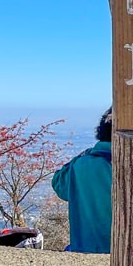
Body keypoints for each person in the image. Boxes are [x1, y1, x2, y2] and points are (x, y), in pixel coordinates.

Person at [52, 108, 112, 253]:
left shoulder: (80, 165)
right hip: (129, 256)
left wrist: (84, 155)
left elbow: (59, 185)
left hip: (84, 250)